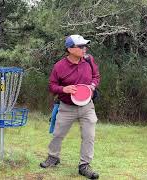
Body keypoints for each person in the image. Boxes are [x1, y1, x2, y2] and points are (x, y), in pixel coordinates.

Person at [40, 35, 101, 179]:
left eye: (85, 46)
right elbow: (52, 86)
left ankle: (84, 166)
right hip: (66, 107)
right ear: (70, 49)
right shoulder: (59, 66)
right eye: (80, 46)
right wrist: (64, 89)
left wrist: (92, 86)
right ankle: (53, 158)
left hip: (87, 106)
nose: (84, 49)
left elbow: (96, 76)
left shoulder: (89, 60)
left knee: (89, 136)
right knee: (58, 134)